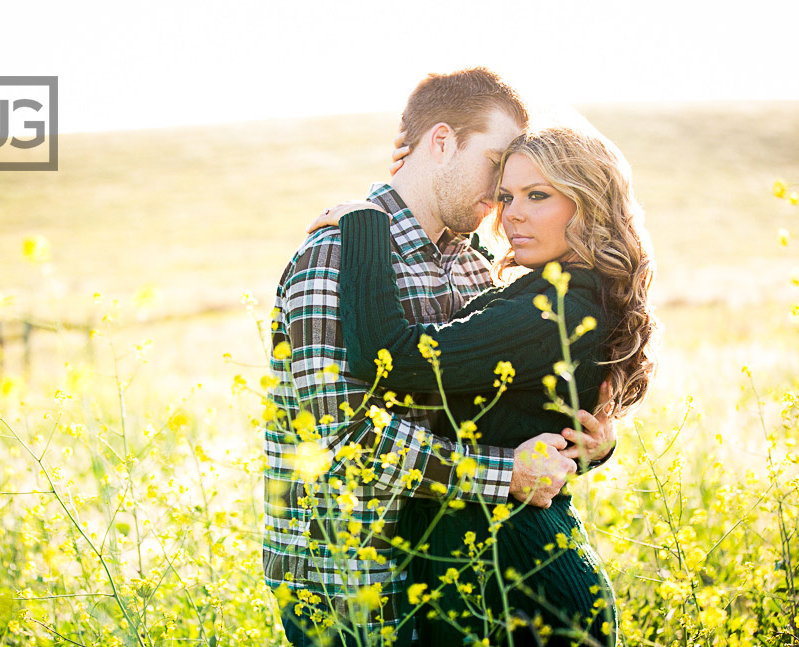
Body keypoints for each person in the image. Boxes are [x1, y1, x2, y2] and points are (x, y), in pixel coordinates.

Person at [263, 68, 617, 647]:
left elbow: (507, 412)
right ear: (442, 142)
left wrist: (589, 443)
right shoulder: (335, 253)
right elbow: (345, 442)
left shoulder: (476, 266)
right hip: (350, 575)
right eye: (497, 161)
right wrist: (507, 476)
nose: (503, 191)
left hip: (454, 574)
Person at [319, 123, 656, 645]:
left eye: (537, 195)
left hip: (521, 581)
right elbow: (529, 413)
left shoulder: (554, 309)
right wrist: (431, 189)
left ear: (588, 204)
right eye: (505, 196)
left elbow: (386, 355)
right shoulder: (558, 293)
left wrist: (367, 224)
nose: (512, 213)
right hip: (493, 571)